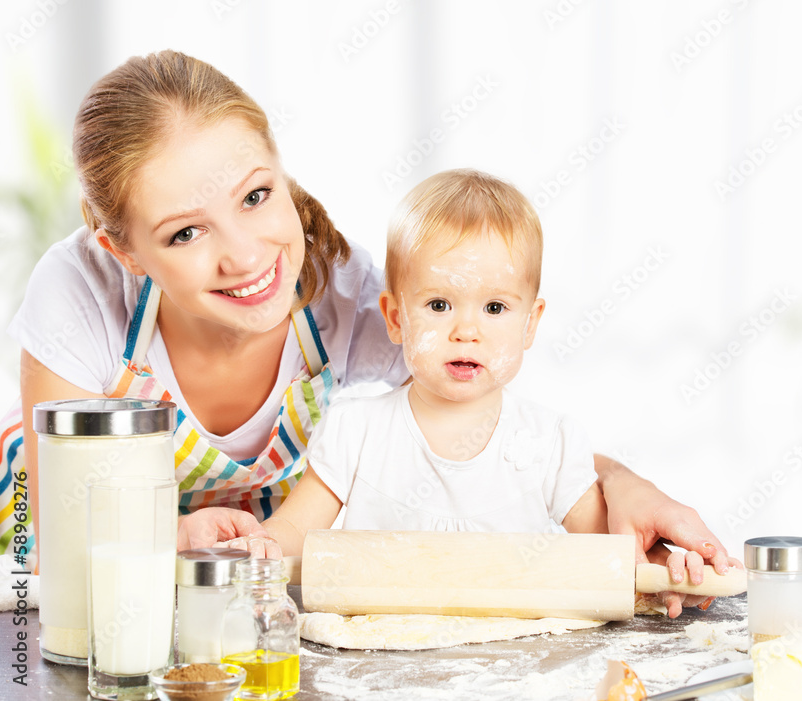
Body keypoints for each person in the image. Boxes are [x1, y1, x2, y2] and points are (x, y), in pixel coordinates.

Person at [0, 51, 732, 610]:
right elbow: (55, 527)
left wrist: (622, 484)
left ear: (281, 170)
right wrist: (162, 536)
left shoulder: (343, 294)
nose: (247, 255)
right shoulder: (80, 294)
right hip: (69, 560)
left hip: (245, 570)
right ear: (124, 251)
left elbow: (479, 414)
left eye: (256, 195)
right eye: (187, 232)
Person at [238, 168, 734, 615]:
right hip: (380, 664)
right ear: (394, 317)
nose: (466, 331)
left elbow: (609, 550)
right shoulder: (356, 431)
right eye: (438, 304)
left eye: (495, 308)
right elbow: (291, 535)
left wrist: (666, 566)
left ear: (530, 324)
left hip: (520, 668)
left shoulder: (548, 442)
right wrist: (254, 546)